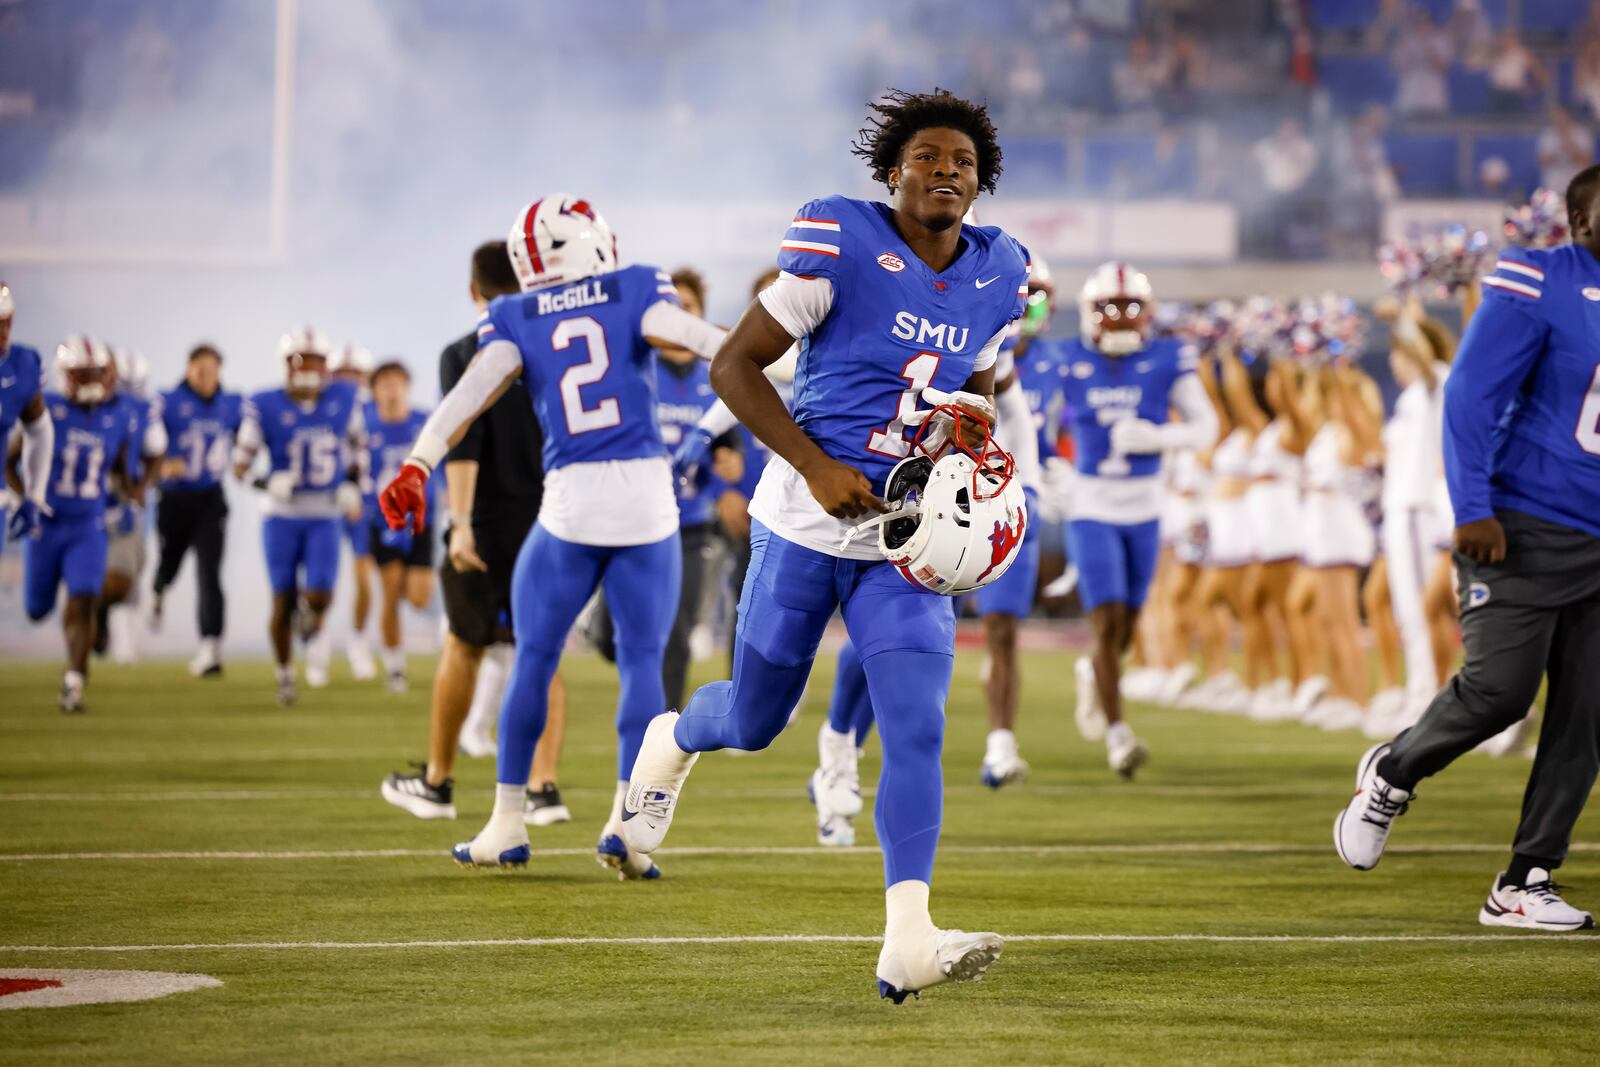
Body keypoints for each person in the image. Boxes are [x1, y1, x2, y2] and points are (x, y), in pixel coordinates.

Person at [619, 89, 1031, 1000]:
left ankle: (908, 937)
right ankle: (675, 735)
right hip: (803, 521)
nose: (945, 172)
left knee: (918, 724)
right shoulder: (839, 238)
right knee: (758, 720)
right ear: (893, 170)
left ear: (981, 180)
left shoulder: (1002, 271)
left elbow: (978, 384)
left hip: (903, 531)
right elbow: (732, 365)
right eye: (927, 157)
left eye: (961, 162)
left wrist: (971, 451)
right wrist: (810, 466)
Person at [379, 196, 725, 880]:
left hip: (571, 503)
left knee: (534, 657)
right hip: (647, 502)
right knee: (643, 663)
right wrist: (793, 352)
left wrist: (418, 461)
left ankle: (507, 821)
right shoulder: (633, 286)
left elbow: (470, 393)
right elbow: (702, 340)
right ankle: (625, 827)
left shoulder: (515, 312)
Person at [1333, 165, 1600, 932]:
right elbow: (1472, 393)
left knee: (1586, 713)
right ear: (1578, 217)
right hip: (1524, 520)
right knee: (1500, 692)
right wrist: (1475, 506)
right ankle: (1394, 769)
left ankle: (1527, 877)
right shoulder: (1539, 275)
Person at [380, 241, 569, 825]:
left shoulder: (466, 351)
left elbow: (463, 443)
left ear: (474, 291)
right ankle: (544, 789)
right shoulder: (554, 348)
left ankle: (438, 783)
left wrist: (459, 525)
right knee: (544, 654)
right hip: (552, 520)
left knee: (463, 648)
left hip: (486, 523)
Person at [1064, 262, 1218, 775]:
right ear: (1090, 312)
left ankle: (1094, 672)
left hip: (1146, 504)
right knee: (1106, 621)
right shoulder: (1067, 360)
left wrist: (1161, 437)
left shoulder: (1169, 358)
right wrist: (1051, 468)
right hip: (1091, 505)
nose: (1121, 318)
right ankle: (1118, 735)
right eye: (1110, 308)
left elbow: (1206, 426)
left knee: (1126, 628)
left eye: (1130, 308)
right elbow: (1034, 416)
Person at [591, 267, 744, 712]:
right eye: (670, 309)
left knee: (676, 637)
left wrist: (727, 470)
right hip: (631, 524)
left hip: (690, 528)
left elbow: (728, 451)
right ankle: (631, 665)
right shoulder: (632, 370)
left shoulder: (719, 375)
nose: (679, 318)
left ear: (700, 317)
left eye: (688, 309)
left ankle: (664, 734)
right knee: (607, 637)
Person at [232, 328, 365, 705]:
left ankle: (309, 617)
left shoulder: (345, 397)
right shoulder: (264, 404)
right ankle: (286, 673)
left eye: (315, 361)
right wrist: (265, 482)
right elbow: (239, 465)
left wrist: (352, 483)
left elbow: (359, 449)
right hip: (281, 515)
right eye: (301, 360)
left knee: (322, 593)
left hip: (324, 512)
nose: (308, 369)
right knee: (282, 598)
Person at [13, 337, 134, 712]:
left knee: (84, 600)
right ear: (65, 376)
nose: (91, 381)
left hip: (88, 525)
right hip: (46, 526)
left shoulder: (117, 416)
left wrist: (127, 493)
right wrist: (24, 497)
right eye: (83, 374)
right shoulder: (45, 409)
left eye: (96, 373)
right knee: (36, 609)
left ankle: (74, 682)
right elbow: (9, 459)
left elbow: (118, 468)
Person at [150, 343, 243, 677]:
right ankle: (159, 589)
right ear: (188, 368)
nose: (206, 376)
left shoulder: (232, 405)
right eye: (200, 368)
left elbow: (250, 437)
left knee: (210, 573)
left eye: (212, 369)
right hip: (174, 499)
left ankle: (210, 648)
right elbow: (144, 441)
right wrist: (160, 465)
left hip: (209, 498)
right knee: (170, 564)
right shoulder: (166, 402)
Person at [362, 361, 435, 693]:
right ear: (375, 389)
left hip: (422, 518)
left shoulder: (424, 423)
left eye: (397, 382)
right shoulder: (363, 427)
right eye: (384, 383)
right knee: (390, 592)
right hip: (384, 520)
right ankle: (395, 667)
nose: (391, 389)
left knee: (419, 597)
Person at [97, 348, 166, 666]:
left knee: (132, 573)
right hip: (90, 502)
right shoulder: (85, 405)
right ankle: (100, 624)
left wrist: (139, 487)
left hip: (128, 504)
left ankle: (125, 643)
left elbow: (156, 452)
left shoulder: (145, 409)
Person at [331, 342, 380, 682]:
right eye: (342, 374)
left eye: (355, 374)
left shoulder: (379, 410)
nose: (349, 381)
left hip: (365, 502)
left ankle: (358, 642)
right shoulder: (322, 406)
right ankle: (318, 646)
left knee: (364, 580)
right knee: (321, 578)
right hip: (327, 501)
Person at [0, 284, 54, 554]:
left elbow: (39, 429)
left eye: (5, 323)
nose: (3, 334)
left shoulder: (21, 366)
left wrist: (34, 494)